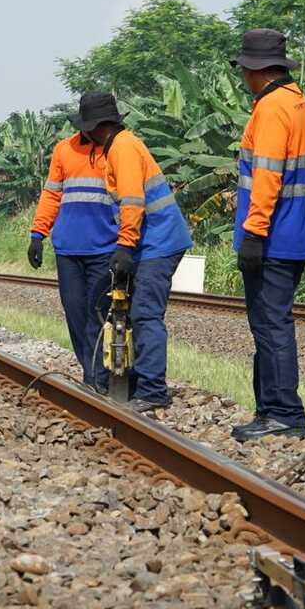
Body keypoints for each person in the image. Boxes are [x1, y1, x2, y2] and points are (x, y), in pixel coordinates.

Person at [230, 29, 305, 442]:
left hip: (273, 236)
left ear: (255, 70)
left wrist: (253, 233)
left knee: (271, 325)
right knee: (272, 323)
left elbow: (266, 176)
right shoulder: (301, 104)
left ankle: (283, 413)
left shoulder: (270, 110)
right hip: (296, 232)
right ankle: (270, 409)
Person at [79, 92, 193, 412]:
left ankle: (153, 390)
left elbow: (132, 200)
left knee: (146, 315)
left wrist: (125, 246)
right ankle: (133, 381)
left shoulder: (123, 148)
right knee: (131, 314)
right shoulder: (120, 146)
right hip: (151, 242)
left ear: (95, 127)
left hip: (160, 243)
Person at [26, 93, 119, 392]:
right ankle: (90, 372)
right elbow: (51, 194)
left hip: (105, 247)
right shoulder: (63, 151)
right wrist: (37, 234)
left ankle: (97, 378)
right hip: (68, 249)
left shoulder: (117, 150)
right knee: (75, 311)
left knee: (97, 313)